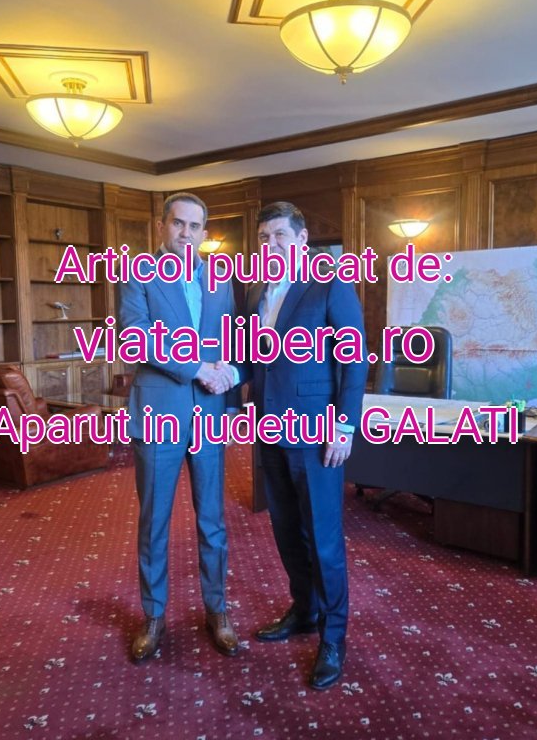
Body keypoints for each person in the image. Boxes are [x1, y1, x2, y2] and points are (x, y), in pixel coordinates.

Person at [243, 201, 368, 690]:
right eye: (263, 237)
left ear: (301, 238)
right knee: (286, 530)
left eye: (279, 235)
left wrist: (344, 425)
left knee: (324, 539)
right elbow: (253, 359)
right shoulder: (257, 293)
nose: (270, 244)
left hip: (317, 435)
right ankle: (304, 610)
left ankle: (333, 637)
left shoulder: (329, 283)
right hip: (268, 429)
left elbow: (354, 359)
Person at [117, 192, 239, 661]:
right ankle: (153, 615)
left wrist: (227, 371)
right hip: (158, 414)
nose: (186, 233)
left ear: (204, 232)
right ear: (162, 226)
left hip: (209, 415)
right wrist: (197, 369)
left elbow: (232, 337)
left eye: (194, 226)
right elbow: (136, 337)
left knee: (213, 521)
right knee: (155, 521)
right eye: (178, 223)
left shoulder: (220, 279)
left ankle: (217, 610)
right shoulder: (138, 273)